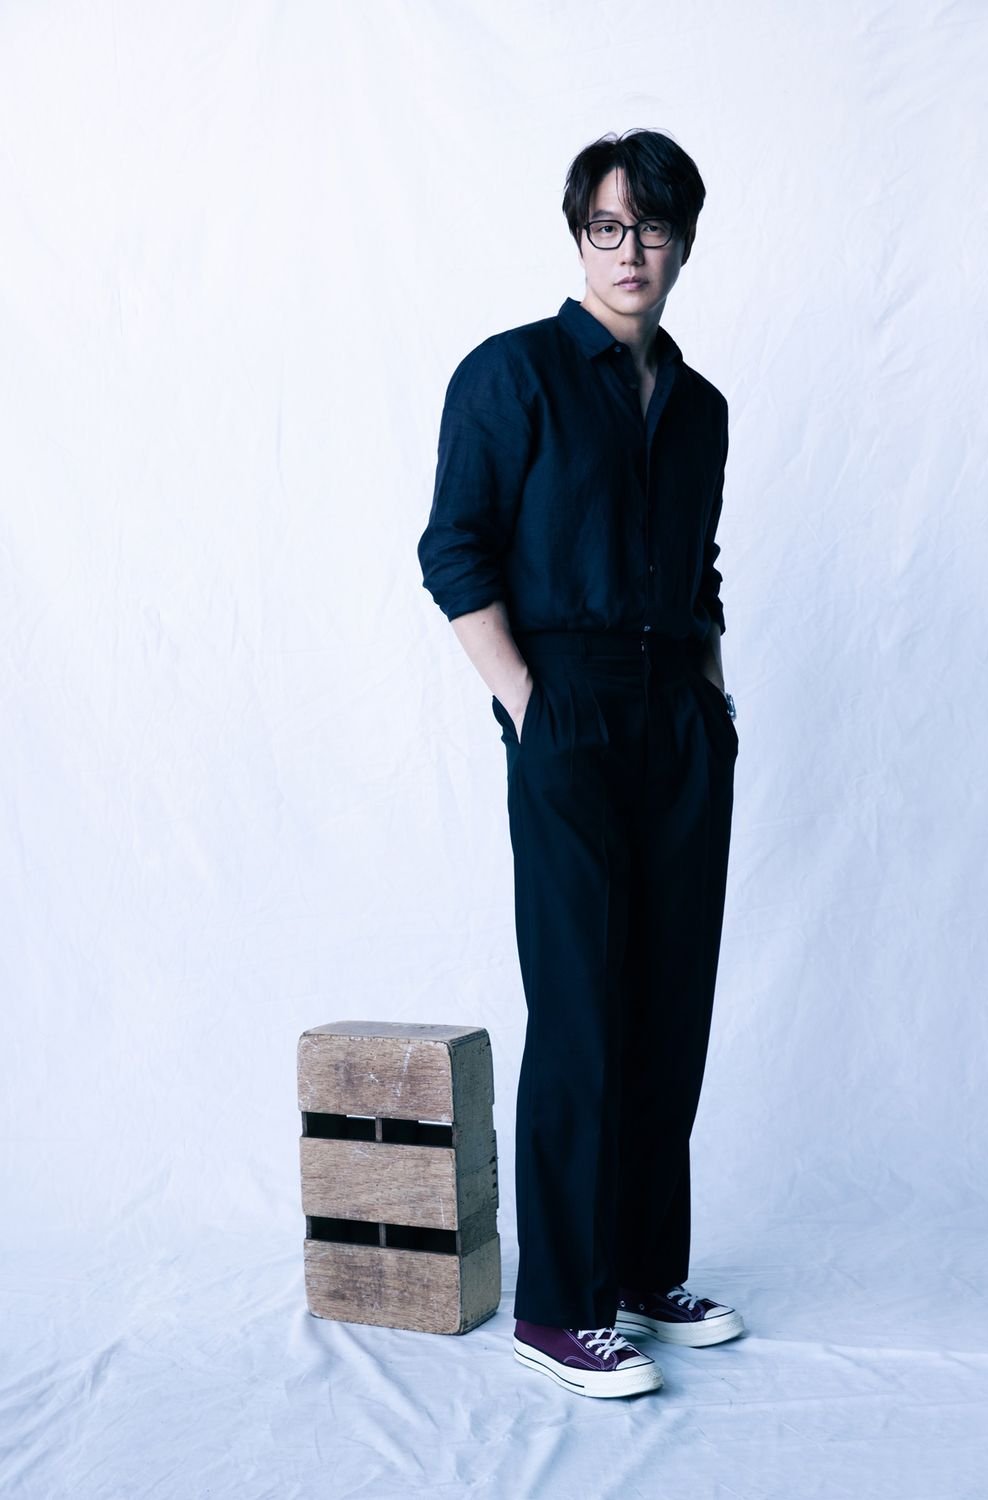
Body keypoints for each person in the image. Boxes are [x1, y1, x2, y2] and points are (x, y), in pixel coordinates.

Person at [417, 128, 744, 1399]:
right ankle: (558, 1306)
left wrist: (712, 704)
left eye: (652, 229)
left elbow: (699, 572)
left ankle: (644, 1272)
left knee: (670, 1000)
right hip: (564, 705)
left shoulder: (701, 408)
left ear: (683, 243)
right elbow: (453, 549)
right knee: (579, 1007)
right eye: (608, 226)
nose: (630, 251)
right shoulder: (511, 376)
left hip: (677, 719)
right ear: (578, 236)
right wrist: (527, 704)